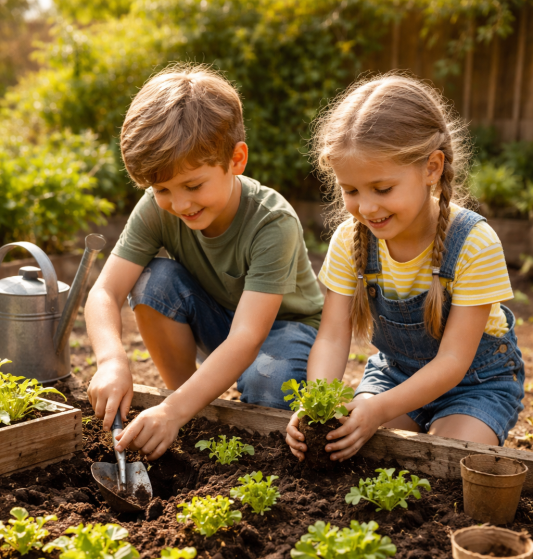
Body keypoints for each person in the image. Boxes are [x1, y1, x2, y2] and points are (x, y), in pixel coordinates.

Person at [85, 64, 323, 460]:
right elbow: (105, 291)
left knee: (267, 380)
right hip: (220, 322)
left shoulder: (271, 221)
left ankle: (182, 411)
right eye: (162, 189)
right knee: (153, 283)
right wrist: (110, 361)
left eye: (193, 185)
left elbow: (247, 337)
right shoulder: (157, 209)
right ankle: (192, 408)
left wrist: (171, 411)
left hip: (285, 331)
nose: (179, 204)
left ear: (236, 159)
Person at [286, 74, 524, 463]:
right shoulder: (352, 240)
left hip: (475, 383)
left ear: (431, 168)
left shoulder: (474, 244)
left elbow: (452, 362)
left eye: (382, 189)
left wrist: (376, 410)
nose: (367, 208)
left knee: (447, 458)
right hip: (395, 374)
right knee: (356, 448)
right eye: (351, 191)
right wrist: (319, 407)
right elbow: (331, 336)